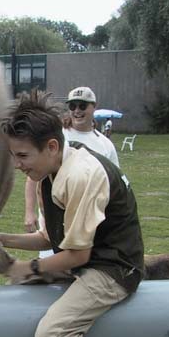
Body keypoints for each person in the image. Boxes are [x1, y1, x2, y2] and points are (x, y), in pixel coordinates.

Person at [0, 90, 144, 337]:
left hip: (113, 268)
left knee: (52, 336)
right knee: (19, 288)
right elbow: (48, 239)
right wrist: (2, 238)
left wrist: (27, 269)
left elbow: (79, 256)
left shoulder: (80, 175)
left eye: (23, 155)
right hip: (87, 258)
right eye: (13, 155)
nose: (18, 164)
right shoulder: (51, 172)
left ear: (51, 146)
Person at [23, 87, 118, 236]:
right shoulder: (57, 136)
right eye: (72, 106)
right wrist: (29, 212)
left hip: (90, 223)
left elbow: (113, 184)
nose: (77, 111)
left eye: (82, 106)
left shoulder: (105, 145)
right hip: (54, 221)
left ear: (94, 107)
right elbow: (34, 175)